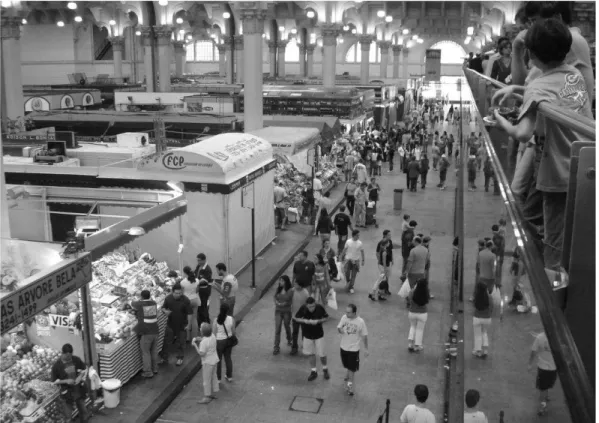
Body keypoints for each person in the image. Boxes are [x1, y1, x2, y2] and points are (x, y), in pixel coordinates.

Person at [493, 18, 593, 270]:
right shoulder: (574, 75)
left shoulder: (537, 87)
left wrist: (498, 120)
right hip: (585, 163)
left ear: (531, 55)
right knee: (551, 224)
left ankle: (551, 289)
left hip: (559, 173)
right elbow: (555, 98)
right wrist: (519, 90)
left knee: (553, 240)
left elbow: (523, 133)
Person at [293, 297, 330, 381]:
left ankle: (325, 369)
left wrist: (318, 321)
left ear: (315, 304)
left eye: (313, 306)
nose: (312, 308)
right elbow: (296, 318)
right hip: (307, 335)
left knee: (322, 354)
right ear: (306, 305)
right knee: (311, 353)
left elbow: (326, 318)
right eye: (310, 307)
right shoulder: (303, 308)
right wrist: (305, 321)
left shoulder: (320, 308)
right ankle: (313, 371)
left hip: (319, 335)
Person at [52, 343, 90, 422]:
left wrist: (80, 377)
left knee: (83, 410)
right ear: (63, 353)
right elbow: (54, 381)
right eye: (67, 356)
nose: (69, 358)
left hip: (78, 390)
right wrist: (66, 381)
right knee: (68, 415)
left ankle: (84, 420)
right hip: (67, 393)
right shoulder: (56, 366)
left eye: (70, 356)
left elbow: (84, 369)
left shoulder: (76, 359)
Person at [337, 304, 368, 396]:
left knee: (351, 368)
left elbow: (364, 335)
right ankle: (348, 375)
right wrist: (340, 330)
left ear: (354, 312)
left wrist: (366, 349)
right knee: (347, 365)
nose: (346, 314)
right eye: (346, 312)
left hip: (354, 349)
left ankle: (350, 386)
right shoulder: (344, 318)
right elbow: (339, 327)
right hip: (343, 347)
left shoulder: (360, 322)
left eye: (349, 312)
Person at [161, 283, 193, 366]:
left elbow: (190, 313)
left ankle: (180, 358)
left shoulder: (186, 300)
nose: (178, 295)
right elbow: (163, 307)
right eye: (176, 293)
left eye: (180, 293)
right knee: (167, 341)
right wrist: (165, 311)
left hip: (182, 325)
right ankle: (164, 358)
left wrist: (189, 324)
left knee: (181, 342)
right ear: (172, 292)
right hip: (170, 324)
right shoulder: (168, 298)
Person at [132, 290, 160, 378]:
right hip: (155, 330)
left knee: (146, 352)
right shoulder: (154, 303)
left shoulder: (140, 304)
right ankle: (155, 368)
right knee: (154, 351)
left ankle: (148, 372)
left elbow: (133, 303)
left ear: (142, 297)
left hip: (146, 332)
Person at [529, 332, 557, 416]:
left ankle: (542, 407)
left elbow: (533, 351)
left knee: (542, 389)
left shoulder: (540, 337)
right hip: (553, 368)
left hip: (542, 367)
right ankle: (546, 397)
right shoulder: (556, 337)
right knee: (547, 385)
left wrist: (530, 363)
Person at [193, 323, 219, 404]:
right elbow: (207, 340)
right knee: (214, 376)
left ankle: (207, 396)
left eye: (200, 328)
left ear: (202, 332)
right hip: (214, 360)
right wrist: (200, 339)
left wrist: (195, 345)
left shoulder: (203, 343)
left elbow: (202, 353)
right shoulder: (213, 336)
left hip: (207, 362)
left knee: (206, 380)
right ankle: (215, 392)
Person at [213, 303, 235, 383]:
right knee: (228, 358)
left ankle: (218, 378)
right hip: (228, 341)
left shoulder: (216, 320)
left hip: (219, 341)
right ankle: (229, 376)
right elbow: (233, 332)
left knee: (218, 360)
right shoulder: (231, 319)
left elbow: (214, 333)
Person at [407, 278, 429, 353]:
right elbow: (427, 301)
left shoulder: (412, 292)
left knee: (412, 327)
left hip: (412, 312)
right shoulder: (426, 293)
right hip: (422, 313)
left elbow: (409, 298)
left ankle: (410, 344)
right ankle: (417, 346)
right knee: (420, 329)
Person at [273, 275, 293, 355]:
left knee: (286, 325)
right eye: (280, 280)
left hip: (286, 311)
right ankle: (276, 347)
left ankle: (289, 338)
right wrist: (277, 303)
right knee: (277, 328)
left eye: (281, 281)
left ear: (285, 282)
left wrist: (284, 303)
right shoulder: (279, 289)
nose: (280, 282)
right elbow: (274, 297)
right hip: (278, 311)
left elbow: (291, 300)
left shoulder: (290, 290)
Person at [340, 229, 365, 294]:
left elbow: (362, 251)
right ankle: (348, 282)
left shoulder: (360, 243)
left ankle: (351, 287)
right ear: (353, 235)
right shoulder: (348, 242)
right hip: (348, 260)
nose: (358, 236)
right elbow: (344, 250)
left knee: (353, 275)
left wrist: (363, 260)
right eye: (357, 235)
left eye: (359, 235)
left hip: (356, 261)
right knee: (347, 273)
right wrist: (341, 258)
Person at [472, 281, 492, 358]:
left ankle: (478, 351)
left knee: (477, 335)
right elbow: (492, 307)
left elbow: (474, 305)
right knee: (484, 333)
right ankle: (485, 350)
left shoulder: (476, 297)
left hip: (477, 317)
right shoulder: (489, 297)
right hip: (487, 318)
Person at [290, 280, 310, 356]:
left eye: (296, 283)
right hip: (294, 316)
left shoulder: (305, 293)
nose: (294, 284)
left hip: (303, 317)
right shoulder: (292, 290)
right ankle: (294, 348)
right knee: (295, 332)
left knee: (304, 334)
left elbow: (308, 304)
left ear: (300, 285)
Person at [180, 266, 200, 340]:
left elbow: (181, 293)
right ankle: (194, 337)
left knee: (187, 319)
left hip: (187, 301)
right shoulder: (197, 280)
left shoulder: (182, 282)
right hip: (195, 299)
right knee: (194, 319)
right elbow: (197, 291)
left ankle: (188, 337)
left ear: (184, 272)